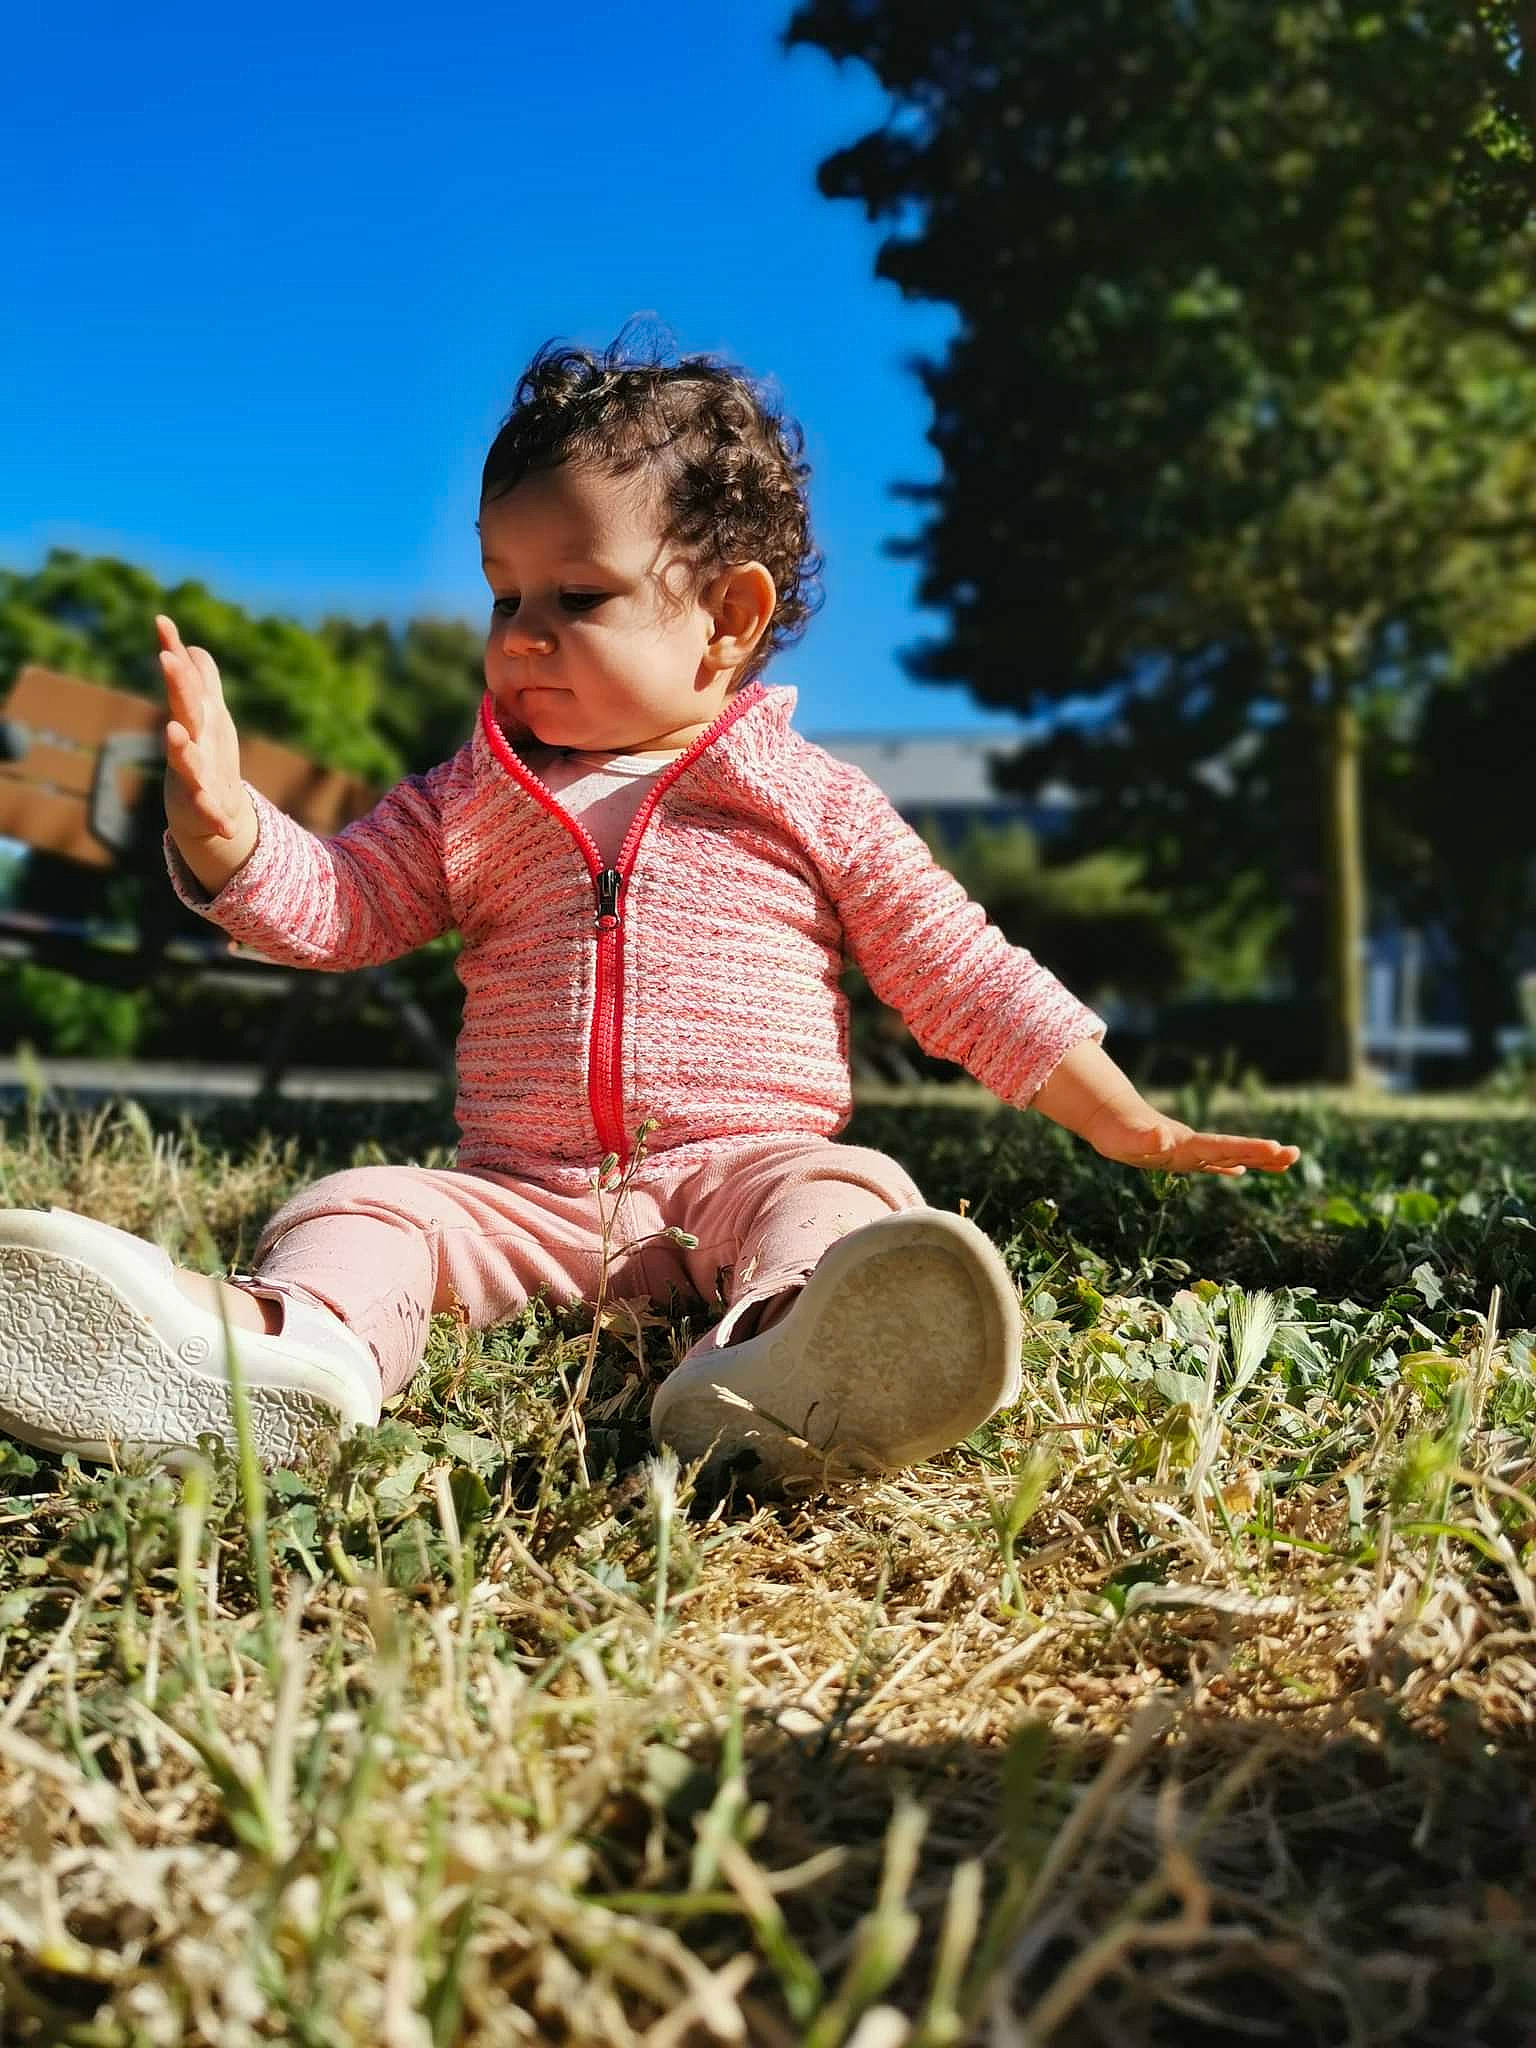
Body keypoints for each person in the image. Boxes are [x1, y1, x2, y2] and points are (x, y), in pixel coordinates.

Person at [0, 341, 1298, 1486]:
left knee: (852, 1189)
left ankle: (787, 1355)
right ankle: (288, 1358)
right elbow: (342, 908)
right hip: (522, 1198)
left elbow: (958, 968)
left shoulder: (805, 797)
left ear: (728, 620)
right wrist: (231, 840)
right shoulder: (469, 797)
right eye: (504, 594)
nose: (519, 635)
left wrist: (1118, 1113)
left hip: (740, 1172)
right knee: (366, 1203)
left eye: (579, 598)